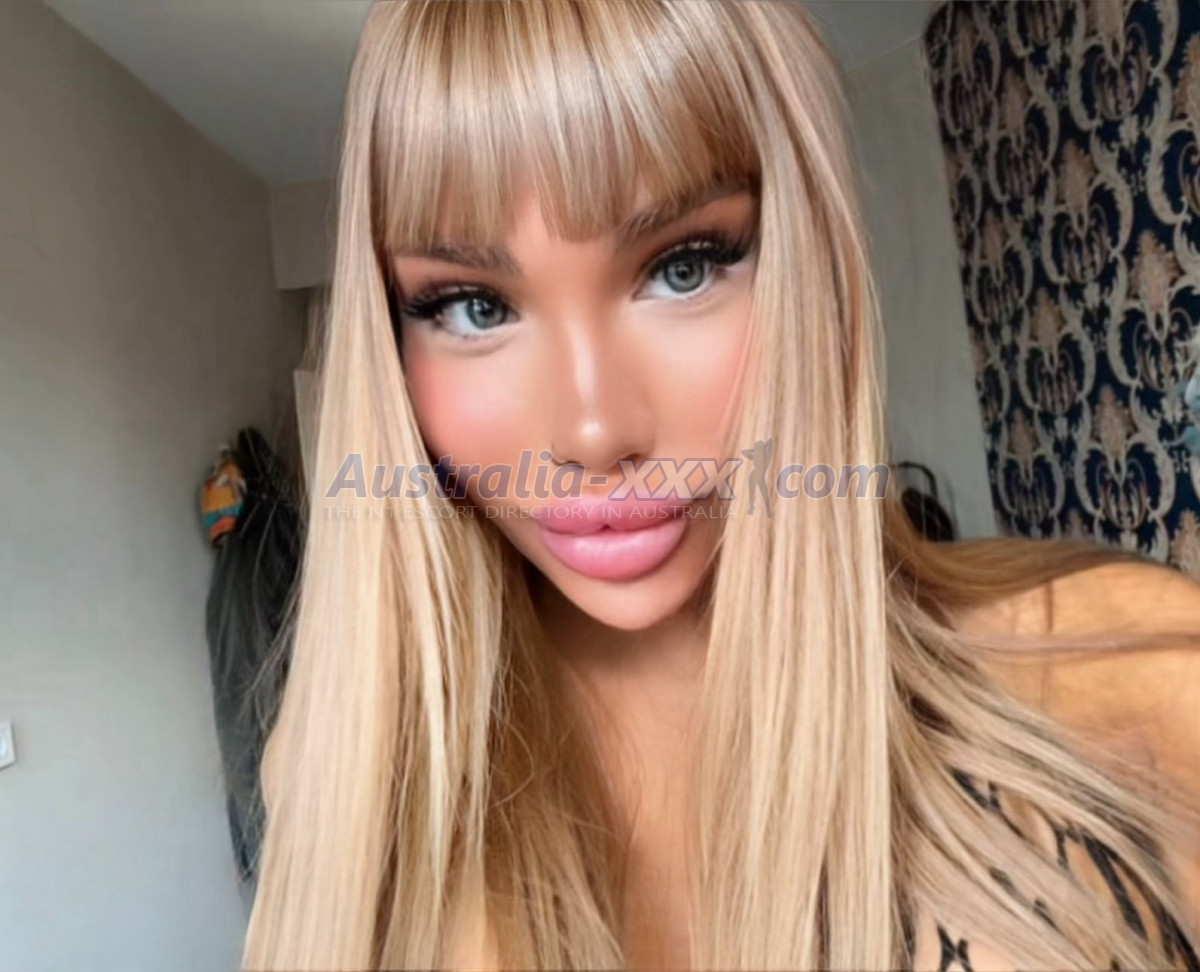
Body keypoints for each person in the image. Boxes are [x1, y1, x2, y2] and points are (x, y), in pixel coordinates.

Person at [240, 2, 1200, 969]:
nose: (594, 433)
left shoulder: (1137, 676)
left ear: (805, 260)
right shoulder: (339, 786)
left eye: (684, 268)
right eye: (471, 306)